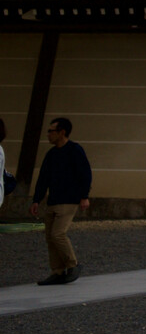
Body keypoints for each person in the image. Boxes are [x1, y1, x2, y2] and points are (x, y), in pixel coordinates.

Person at [31, 117, 91, 285]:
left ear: (62, 132)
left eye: (51, 131)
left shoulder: (74, 150)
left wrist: (84, 196)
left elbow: (85, 173)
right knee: (50, 237)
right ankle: (57, 271)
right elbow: (43, 178)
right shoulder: (51, 154)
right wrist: (37, 200)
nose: (48, 134)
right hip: (53, 200)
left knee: (58, 234)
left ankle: (73, 265)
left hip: (69, 200)